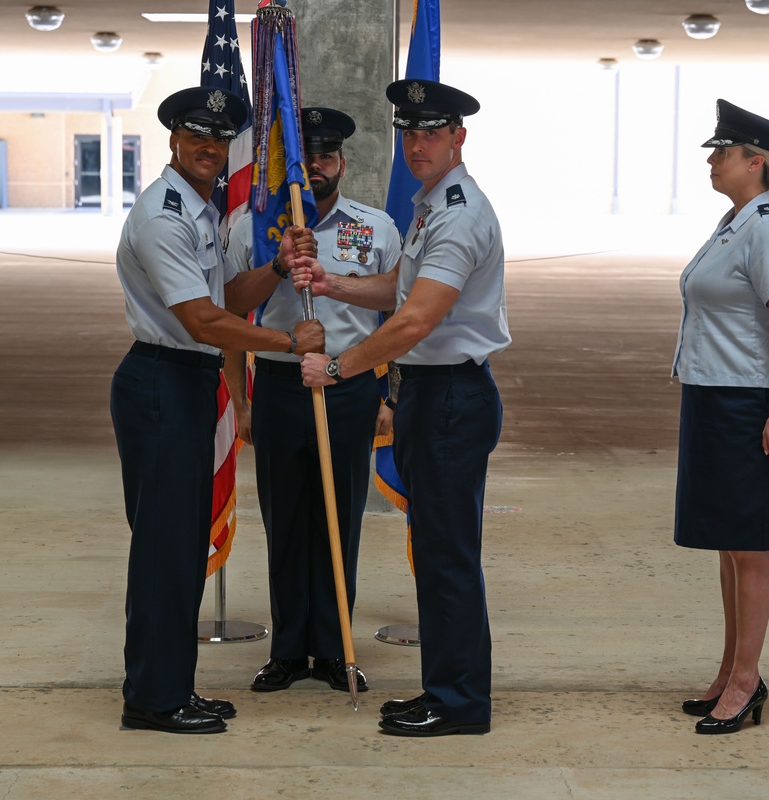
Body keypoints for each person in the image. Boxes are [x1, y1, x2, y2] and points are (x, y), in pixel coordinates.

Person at [294, 80, 511, 737]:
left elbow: (415, 320)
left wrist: (337, 367)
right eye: (409, 132)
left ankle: (461, 702)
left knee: (448, 556)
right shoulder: (430, 207)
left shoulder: (459, 213)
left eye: (432, 132)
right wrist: (335, 284)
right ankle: (443, 688)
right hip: (431, 395)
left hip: (451, 397)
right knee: (439, 548)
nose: (417, 144)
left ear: (458, 139)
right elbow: (401, 287)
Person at [110, 86, 325, 734]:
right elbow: (202, 320)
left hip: (184, 383)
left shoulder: (199, 211)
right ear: (173, 140)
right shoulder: (165, 216)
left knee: (179, 547)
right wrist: (287, 340)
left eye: (218, 138)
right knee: (164, 549)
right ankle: (152, 698)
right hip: (162, 383)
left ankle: (172, 685)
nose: (208, 147)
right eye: (195, 135)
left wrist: (278, 270)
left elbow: (224, 296)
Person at [223, 107, 402, 694]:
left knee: (339, 518)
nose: (315, 170)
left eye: (325, 158)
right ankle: (287, 649)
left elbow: (395, 318)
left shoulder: (373, 227)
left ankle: (333, 648)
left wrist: (387, 395)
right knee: (285, 519)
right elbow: (228, 309)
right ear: (283, 167)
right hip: (277, 385)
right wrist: (241, 404)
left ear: (342, 164)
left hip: (349, 388)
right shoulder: (254, 227)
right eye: (304, 160)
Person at [672, 99, 769, 735]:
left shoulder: (766, 228)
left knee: (749, 546)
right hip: (714, 398)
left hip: (751, 402)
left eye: (722, 151)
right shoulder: (735, 222)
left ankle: (748, 682)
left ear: (756, 163)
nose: (712, 159)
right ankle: (732, 669)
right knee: (729, 544)